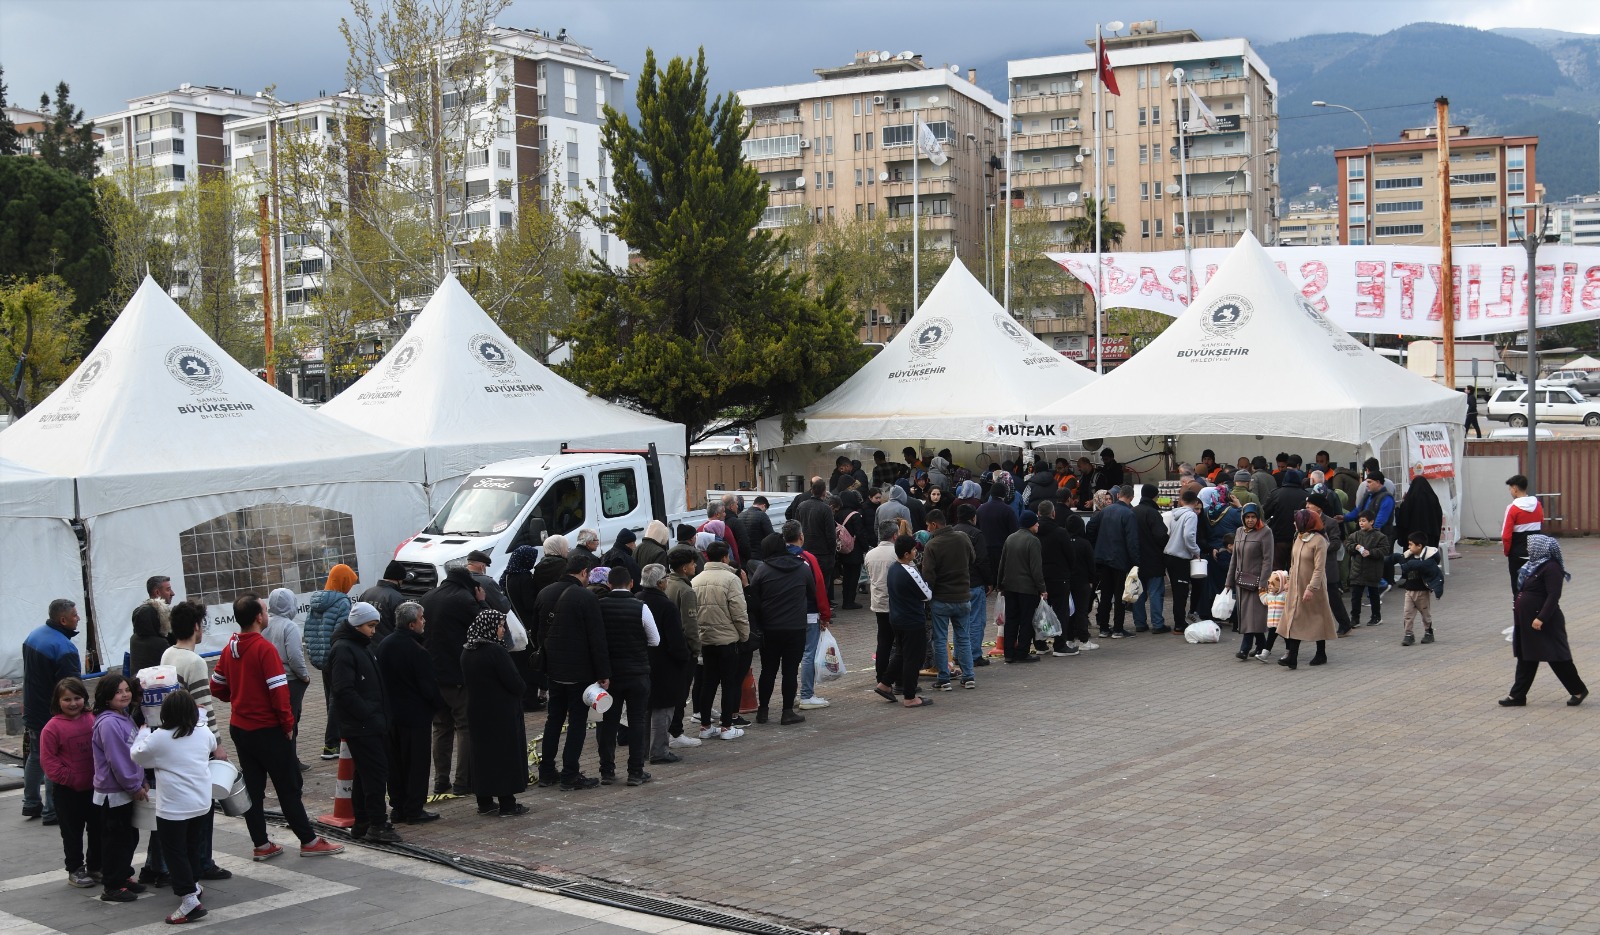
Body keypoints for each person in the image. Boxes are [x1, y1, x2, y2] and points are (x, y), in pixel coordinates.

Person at [211, 593, 344, 861]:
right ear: (259, 617)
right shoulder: (264, 649)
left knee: (254, 787)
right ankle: (308, 840)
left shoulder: (230, 647)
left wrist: (238, 697)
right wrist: (287, 725)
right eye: (264, 610)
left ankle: (261, 844)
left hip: (241, 727)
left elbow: (217, 685)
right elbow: (279, 693)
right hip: (268, 729)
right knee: (288, 786)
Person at [130, 690, 218, 924]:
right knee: (191, 847)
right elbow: (210, 744)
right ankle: (194, 885)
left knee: (174, 852)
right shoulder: (203, 732)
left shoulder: (160, 737)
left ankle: (189, 899)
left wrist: (142, 734)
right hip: (201, 802)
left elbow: (138, 756)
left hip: (174, 808)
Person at [160, 600, 228, 881]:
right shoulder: (195, 662)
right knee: (204, 803)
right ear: (197, 627)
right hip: (195, 739)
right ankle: (203, 861)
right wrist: (218, 743)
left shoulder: (168, 654)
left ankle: (190, 861)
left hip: (173, 738)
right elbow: (204, 707)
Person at [534, 552, 609, 790]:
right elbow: (597, 639)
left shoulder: (544, 593)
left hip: (554, 670)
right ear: (585, 572)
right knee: (577, 722)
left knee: (553, 720)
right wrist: (603, 673)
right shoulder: (586, 598)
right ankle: (570, 773)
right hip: (579, 672)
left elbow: (536, 633)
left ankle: (546, 771)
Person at [327, 602, 397, 842]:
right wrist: (367, 713)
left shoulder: (360, 645)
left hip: (370, 722)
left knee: (365, 774)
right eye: (370, 626)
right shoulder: (345, 649)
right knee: (375, 774)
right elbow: (343, 690)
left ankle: (363, 821)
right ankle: (377, 823)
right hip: (363, 725)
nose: (374, 631)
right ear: (357, 625)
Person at [456, 609, 530, 815]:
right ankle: (507, 802)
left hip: (477, 710)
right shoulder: (495, 651)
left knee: (482, 756)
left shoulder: (467, 650)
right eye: (499, 625)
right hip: (501, 712)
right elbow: (515, 683)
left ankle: (484, 800)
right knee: (504, 755)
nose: (502, 630)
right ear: (489, 626)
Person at [1500, 535, 1588, 707]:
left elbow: (1554, 595)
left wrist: (1541, 618)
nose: (1528, 549)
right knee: (1526, 657)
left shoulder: (1551, 567)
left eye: (1531, 546)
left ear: (1540, 548)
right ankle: (1517, 696)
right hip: (1527, 620)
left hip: (1545, 621)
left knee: (1556, 656)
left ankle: (1578, 690)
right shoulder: (1533, 566)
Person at [376, 601, 443, 825]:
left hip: (391, 716)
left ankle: (398, 807)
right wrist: (437, 704)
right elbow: (428, 687)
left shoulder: (384, 645)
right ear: (412, 624)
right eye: (422, 618)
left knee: (396, 764)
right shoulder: (417, 651)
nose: (425, 622)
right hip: (415, 717)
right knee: (416, 764)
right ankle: (414, 809)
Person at [420, 564, 482, 796]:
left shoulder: (428, 596)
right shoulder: (464, 599)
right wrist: (481, 601)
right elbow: (484, 626)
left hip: (433, 674)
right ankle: (462, 781)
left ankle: (440, 781)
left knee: (441, 727)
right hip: (457, 674)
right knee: (464, 726)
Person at [595, 567, 659, 785]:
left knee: (606, 722)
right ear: (631, 583)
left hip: (608, 677)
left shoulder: (599, 606)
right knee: (637, 721)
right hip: (637, 672)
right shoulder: (641, 607)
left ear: (609, 584)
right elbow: (655, 640)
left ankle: (607, 771)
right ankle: (635, 771)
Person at [22, 598, 82, 825]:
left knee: (36, 756)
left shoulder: (34, 635)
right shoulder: (64, 648)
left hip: (32, 708)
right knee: (53, 760)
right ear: (63, 619)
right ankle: (52, 810)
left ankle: (30, 803)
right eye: (75, 615)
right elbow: (71, 688)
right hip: (51, 714)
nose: (78, 619)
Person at [747, 532, 814, 724]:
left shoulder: (763, 570)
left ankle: (763, 711)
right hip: (796, 627)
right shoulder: (802, 568)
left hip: (770, 628)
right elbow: (812, 592)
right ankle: (787, 712)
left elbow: (755, 597)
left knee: (768, 670)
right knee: (790, 671)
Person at [90, 674, 144, 903]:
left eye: (126, 690)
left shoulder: (123, 716)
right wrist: (133, 785)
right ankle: (112, 885)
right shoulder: (110, 723)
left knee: (129, 837)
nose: (124, 695)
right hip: (113, 793)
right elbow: (118, 760)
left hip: (125, 789)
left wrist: (141, 780)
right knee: (116, 840)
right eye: (118, 692)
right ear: (106, 697)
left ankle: (122, 875)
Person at [41, 676, 98, 889]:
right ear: (58, 702)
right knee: (72, 832)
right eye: (67, 699)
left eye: (77, 698)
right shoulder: (52, 728)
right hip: (68, 792)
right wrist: (70, 778)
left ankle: (95, 865)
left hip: (95, 788)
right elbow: (49, 761)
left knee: (97, 828)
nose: (73, 703)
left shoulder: (92, 719)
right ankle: (75, 868)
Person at [691, 541, 750, 740]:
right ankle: (726, 726)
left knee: (708, 683)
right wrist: (744, 635)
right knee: (729, 683)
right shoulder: (731, 579)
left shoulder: (696, 580)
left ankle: (705, 725)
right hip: (727, 640)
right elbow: (739, 611)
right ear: (725, 557)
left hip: (705, 640)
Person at [874, 535, 935, 708]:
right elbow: (927, 595)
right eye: (914, 550)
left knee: (901, 653)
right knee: (913, 658)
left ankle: (885, 683)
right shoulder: (910, 570)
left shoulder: (893, 568)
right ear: (907, 554)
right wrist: (928, 584)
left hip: (896, 618)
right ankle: (910, 696)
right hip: (912, 620)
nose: (916, 552)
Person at [304, 563, 357, 760]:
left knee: (330, 698)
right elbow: (342, 631)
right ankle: (332, 744)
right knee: (338, 699)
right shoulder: (342, 602)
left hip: (322, 658)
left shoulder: (317, 601)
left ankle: (336, 739)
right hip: (336, 657)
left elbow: (309, 630)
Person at [640, 565, 692, 764]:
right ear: (661, 582)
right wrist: (684, 657)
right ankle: (659, 751)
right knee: (663, 709)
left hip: (643, 662)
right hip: (665, 665)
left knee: (645, 709)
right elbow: (675, 640)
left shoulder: (637, 599)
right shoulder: (666, 606)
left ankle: (643, 749)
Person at [1277, 510, 1336, 670]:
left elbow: (1319, 568)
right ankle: (1292, 657)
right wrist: (1288, 581)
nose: (1294, 523)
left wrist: (1311, 588)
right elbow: (1293, 562)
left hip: (1312, 586)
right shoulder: (1299, 537)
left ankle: (1320, 652)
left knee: (1317, 618)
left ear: (1306, 523)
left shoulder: (1319, 541)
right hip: (1296, 585)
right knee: (1295, 617)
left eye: (1297, 521)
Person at [264, 589, 312, 769]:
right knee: (291, 721)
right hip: (290, 680)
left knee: (276, 721)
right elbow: (295, 656)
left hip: (270, 679)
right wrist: (305, 676)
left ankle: (276, 758)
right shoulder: (289, 626)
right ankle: (290, 760)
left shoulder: (265, 623)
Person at [661, 548, 703, 751]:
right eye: (693, 563)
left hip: (666, 647)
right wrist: (695, 649)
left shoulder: (667, 584)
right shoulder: (685, 590)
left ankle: (669, 730)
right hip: (683, 649)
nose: (695, 566)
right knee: (681, 692)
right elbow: (690, 624)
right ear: (685, 567)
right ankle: (675, 732)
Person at [499, 544, 545, 710]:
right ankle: (530, 701)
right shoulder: (524, 578)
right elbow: (529, 604)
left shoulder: (506, 576)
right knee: (530, 666)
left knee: (517, 665)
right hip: (526, 627)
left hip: (513, 627)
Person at [1227, 503, 1275, 661]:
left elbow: (1268, 559)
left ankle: (1245, 648)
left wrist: (1263, 582)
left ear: (1258, 517)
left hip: (1255, 582)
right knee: (1250, 616)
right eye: (1247, 517)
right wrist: (1229, 581)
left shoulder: (1265, 532)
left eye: (1253, 517)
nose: (1250, 520)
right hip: (1241, 582)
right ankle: (1261, 644)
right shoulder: (1239, 531)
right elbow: (1234, 557)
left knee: (1251, 616)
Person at [996, 510, 1046, 662]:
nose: (1038, 524)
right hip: (1027, 589)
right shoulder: (1033, 541)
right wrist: (1042, 588)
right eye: (1036, 521)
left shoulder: (1010, 538)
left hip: (1010, 587)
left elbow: (1002, 563)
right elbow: (1036, 568)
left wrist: (1000, 585)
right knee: (1026, 621)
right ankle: (1022, 652)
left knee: (1011, 620)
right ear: (1031, 524)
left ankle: (1009, 653)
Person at [1093, 486, 1141, 639]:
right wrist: (1136, 562)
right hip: (1119, 559)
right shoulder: (1129, 514)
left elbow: (1091, 528)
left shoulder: (1105, 511)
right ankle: (1118, 628)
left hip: (1102, 558)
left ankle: (1104, 628)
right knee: (1120, 594)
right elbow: (1132, 541)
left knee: (1105, 594)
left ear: (1118, 495)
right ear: (1131, 498)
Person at [1030, 501, 1075, 656]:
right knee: (1061, 610)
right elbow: (1070, 555)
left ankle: (1040, 643)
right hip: (1059, 576)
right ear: (1053, 513)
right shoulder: (1060, 532)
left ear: (1038, 514)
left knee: (1040, 611)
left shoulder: (1033, 532)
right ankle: (1060, 644)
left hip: (1038, 577)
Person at [951, 505, 993, 666]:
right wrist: (989, 581)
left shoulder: (952, 532)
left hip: (956, 584)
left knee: (959, 622)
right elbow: (982, 560)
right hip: (974, 582)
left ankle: (958, 654)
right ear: (972, 517)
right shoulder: (976, 534)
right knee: (976, 620)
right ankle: (974, 654)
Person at [864, 519, 902, 690]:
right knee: (900, 643)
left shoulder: (870, 555)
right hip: (897, 603)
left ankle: (881, 675)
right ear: (895, 535)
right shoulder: (898, 553)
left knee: (883, 641)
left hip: (879, 602)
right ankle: (899, 679)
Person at [1164, 489, 1203, 633]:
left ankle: (1179, 621)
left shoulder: (1176, 515)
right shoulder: (1191, 516)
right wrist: (1196, 551)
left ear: (1182, 501)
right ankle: (1179, 624)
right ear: (1195, 502)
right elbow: (1188, 535)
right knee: (1181, 592)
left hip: (1169, 555)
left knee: (1177, 591)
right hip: (1180, 557)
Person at [1132, 484, 1169, 634]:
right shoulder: (1153, 513)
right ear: (1155, 496)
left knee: (1138, 593)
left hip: (1136, 560)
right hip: (1153, 559)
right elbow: (1161, 536)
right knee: (1155, 592)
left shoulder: (1132, 511)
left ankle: (1140, 623)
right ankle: (1157, 624)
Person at [794, 478, 837, 604]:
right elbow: (831, 534)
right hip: (823, 553)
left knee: (807, 581)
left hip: (805, 551)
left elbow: (797, 527)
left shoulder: (801, 506)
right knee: (823, 583)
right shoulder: (826, 509)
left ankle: (809, 607)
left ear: (812, 490)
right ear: (824, 492)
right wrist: (832, 552)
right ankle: (822, 607)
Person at [1501, 474, 1543, 594]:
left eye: (1510, 489)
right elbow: (1541, 523)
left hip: (1517, 554)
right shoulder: (1538, 505)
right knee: (1535, 586)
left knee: (1518, 588)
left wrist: (1507, 551)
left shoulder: (1512, 508)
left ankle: (1519, 610)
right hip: (1536, 553)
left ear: (1515, 488)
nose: (1510, 491)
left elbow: (1506, 535)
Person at [1347, 512, 1390, 627]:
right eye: (1360, 521)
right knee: (1356, 596)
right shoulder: (1355, 535)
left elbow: (1385, 550)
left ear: (1371, 522)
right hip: (1357, 570)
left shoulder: (1380, 536)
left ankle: (1376, 616)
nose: (1361, 523)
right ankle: (1355, 618)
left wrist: (1371, 553)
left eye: (1364, 521)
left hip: (1373, 570)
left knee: (1373, 594)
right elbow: (1348, 546)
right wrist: (1355, 546)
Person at [358, 561, 408, 646]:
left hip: (366, 646)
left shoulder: (366, 593)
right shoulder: (397, 598)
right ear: (399, 579)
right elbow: (403, 629)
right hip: (388, 648)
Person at [1266, 470, 1308, 571]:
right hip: (1300, 538)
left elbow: (1265, 512)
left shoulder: (1276, 494)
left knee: (1277, 571)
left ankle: (1277, 587)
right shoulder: (1305, 495)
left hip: (1279, 538)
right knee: (1295, 569)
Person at [836, 489, 868, 610]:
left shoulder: (837, 514)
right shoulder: (855, 515)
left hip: (842, 549)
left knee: (846, 576)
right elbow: (860, 533)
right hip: (855, 550)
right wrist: (866, 547)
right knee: (854, 576)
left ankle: (845, 600)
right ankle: (850, 601)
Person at [1395, 476, 1444, 551]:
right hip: (1430, 538)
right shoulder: (1433, 498)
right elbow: (1438, 516)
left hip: (1413, 540)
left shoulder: (1409, 500)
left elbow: (1403, 520)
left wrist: (1402, 504)